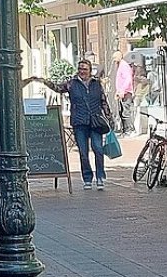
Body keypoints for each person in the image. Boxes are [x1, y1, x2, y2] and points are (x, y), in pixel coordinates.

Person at [30, 59, 110, 189]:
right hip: (79, 121)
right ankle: (87, 178)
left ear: (90, 71)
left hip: (95, 121)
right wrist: (44, 81)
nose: (82, 71)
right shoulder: (72, 84)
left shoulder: (96, 84)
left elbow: (103, 101)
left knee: (98, 149)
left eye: (85, 69)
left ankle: (100, 177)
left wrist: (108, 117)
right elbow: (57, 88)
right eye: (80, 69)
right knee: (83, 152)